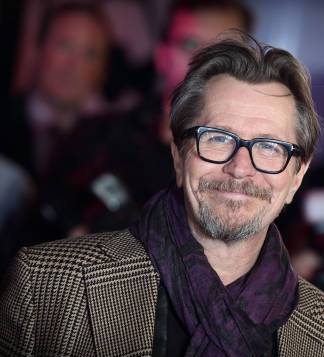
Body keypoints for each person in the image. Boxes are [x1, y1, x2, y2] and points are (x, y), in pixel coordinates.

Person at [0, 34, 324, 357]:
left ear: (297, 177)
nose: (240, 168)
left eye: (270, 147)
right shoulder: (48, 283)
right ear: (178, 155)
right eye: (218, 138)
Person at [41, 0, 253, 237]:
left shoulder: (260, 165)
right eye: (190, 44)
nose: (206, 64)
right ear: (162, 55)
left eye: (223, 51)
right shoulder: (93, 140)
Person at [1, 2, 111, 180]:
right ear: (38, 50)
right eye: (64, 45)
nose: (73, 66)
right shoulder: (6, 116)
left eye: (89, 54)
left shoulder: (113, 143)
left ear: (103, 69)